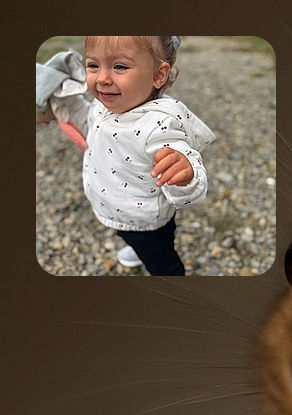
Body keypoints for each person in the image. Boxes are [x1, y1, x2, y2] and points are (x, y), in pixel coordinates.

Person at [37, 36, 214, 275]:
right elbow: (91, 126)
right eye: (93, 65)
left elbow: (185, 167)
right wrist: (66, 103)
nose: (102, 78)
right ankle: (137, 248)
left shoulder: (159, 125)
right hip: (118, 207)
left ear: (158, 75)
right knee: (131, 238)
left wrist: (185, 174)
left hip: (144, 221)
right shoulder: (107, 104)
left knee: (162, 262)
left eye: (119, 66)